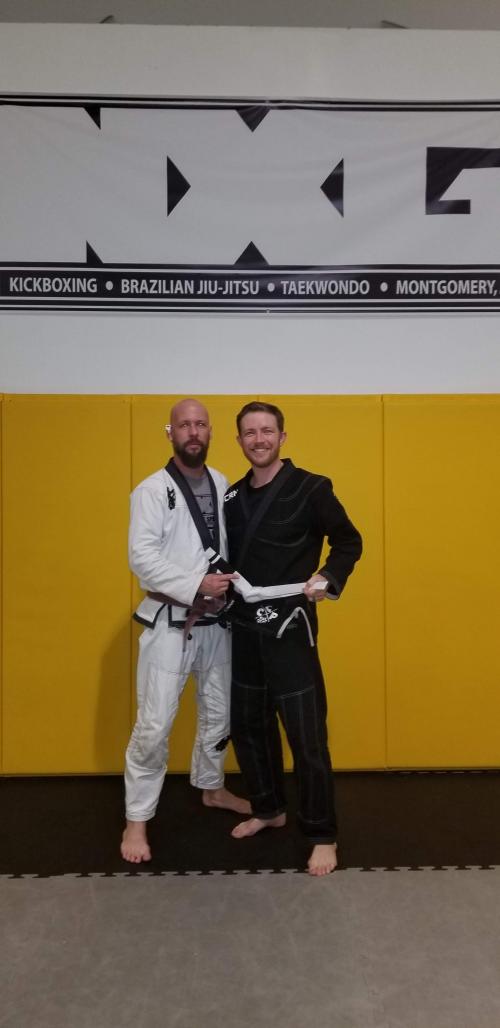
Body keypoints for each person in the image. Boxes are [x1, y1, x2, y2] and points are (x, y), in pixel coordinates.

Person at [224, 401, 362, 876]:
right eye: (249, 432)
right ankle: (268, 807)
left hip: (289, 626)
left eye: (267, 431)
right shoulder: (231, 497)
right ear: (239, 440)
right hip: (244, 626)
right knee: (248, 724)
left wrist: (328, 576)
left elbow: (349, 541)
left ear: (282, 437)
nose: (258, 439)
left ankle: (322, 834)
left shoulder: (312, 487)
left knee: (306, 735)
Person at [121, 398, 250, 864]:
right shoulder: (152, 490)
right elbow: (141, 557)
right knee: (154, 725)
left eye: (200, 424)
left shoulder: (221, 483)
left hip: (216, 622)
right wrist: (195, 584)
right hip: (170, 622)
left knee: (219, 713)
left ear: (210, 432)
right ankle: (137, 819)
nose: (192, 432)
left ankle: (212, 788)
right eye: (184, 425)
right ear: (170, 432)